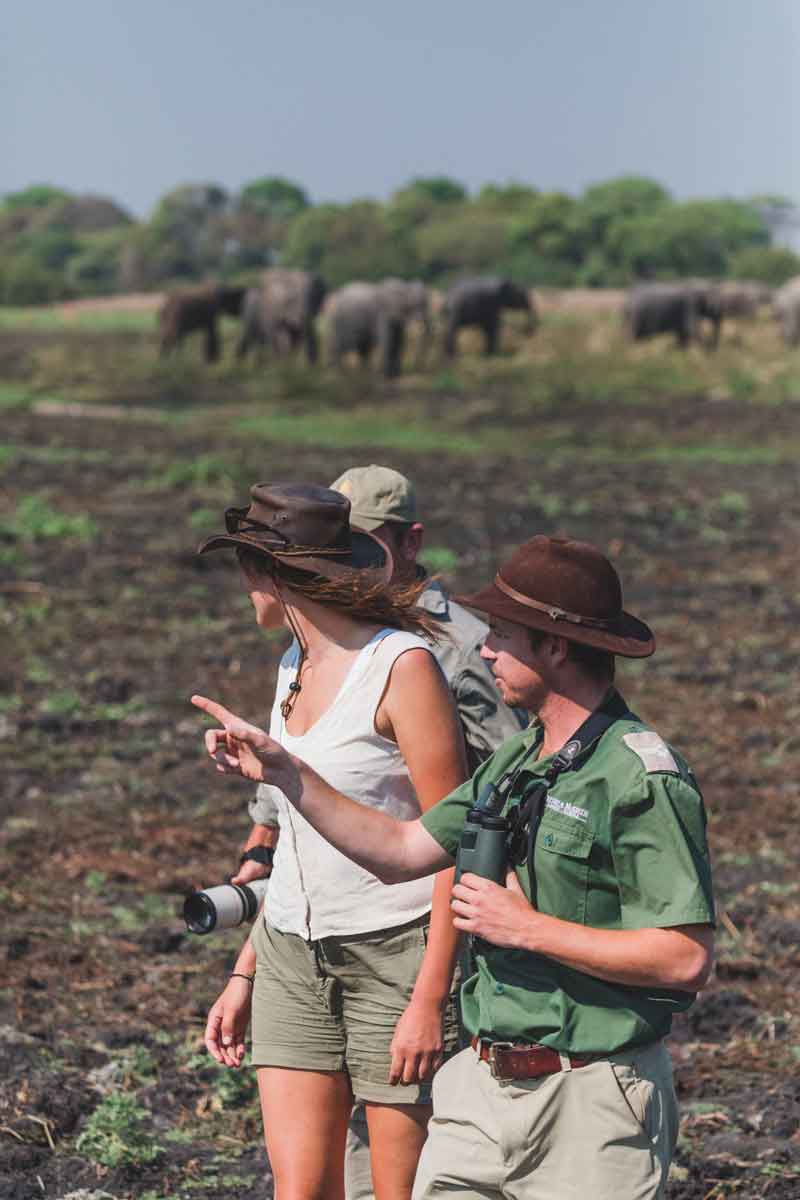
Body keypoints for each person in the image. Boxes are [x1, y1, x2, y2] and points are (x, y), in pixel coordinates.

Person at [194, 533, 716, 1200]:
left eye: (501, 634)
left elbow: (684, 959)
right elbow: (404, 850)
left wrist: (528, 929)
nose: (485, 648)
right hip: (481, 1087)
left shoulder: (638, 776)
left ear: (555, 647)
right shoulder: (517, 760)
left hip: (590, 1095)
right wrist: (290, 776)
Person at [232, 466, 526, 1200]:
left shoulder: (403, 666)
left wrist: (430, 997)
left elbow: (447, 838)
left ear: (280, 572)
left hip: (394, 956)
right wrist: (246, 968)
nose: (243, 585)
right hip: (294, 951)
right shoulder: (292, 663)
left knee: (400, 1192)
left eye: (247, 566)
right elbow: (301, 836)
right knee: (300, 1192)